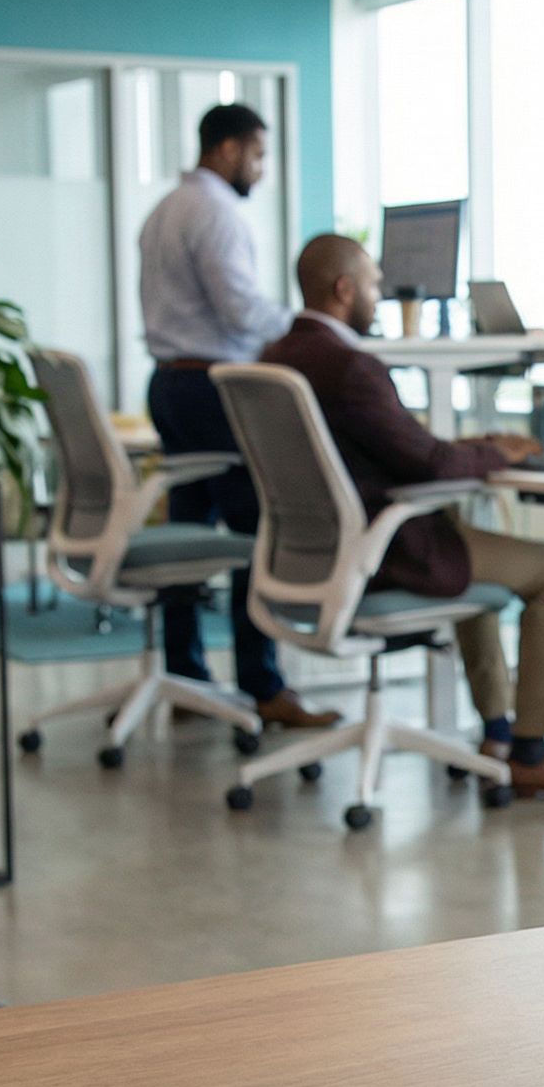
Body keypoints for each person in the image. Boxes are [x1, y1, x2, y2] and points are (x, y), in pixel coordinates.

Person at [257, 235, 544, 799]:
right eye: (374, 283)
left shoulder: (275, 357)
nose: (380, 295)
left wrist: (471, 446)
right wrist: (500, 451)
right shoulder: (351, 366)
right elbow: (428, 462)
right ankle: (531, 751)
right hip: (386, 552)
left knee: (476, 551)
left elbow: (395, 449)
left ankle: (498, 731)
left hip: (316, 554)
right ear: (344, 289)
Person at [137, 101, 337, 733]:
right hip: (214, 389)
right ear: (225, 149)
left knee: (187, 534)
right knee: (261, 527)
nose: (261, 167)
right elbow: (239, 310)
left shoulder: (165, 209)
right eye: (257, 153)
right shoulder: (217, 213)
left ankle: (185, 672)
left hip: (170, 384)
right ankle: (263, 685)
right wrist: (306, 324)